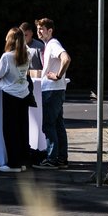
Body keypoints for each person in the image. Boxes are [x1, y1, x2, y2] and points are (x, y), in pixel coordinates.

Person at [33, 18, 71, 169]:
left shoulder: (53, 44)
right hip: (56, 90)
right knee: (58, 124)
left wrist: (58, 75)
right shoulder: (49, 44)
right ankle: (61, 158)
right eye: (38, 29)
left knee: (49, 125)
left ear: (50, 30)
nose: (39, 32)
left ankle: (51, 159)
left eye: (42, 29)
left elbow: (66, 59)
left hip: (51, 90)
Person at [0, 28, 32, 173]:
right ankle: (22, 161)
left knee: (10, 130)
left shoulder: (7, 56)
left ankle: (13, 164)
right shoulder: (27, 54)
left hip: (10, 94)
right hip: (24, 93)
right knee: (22, 128)